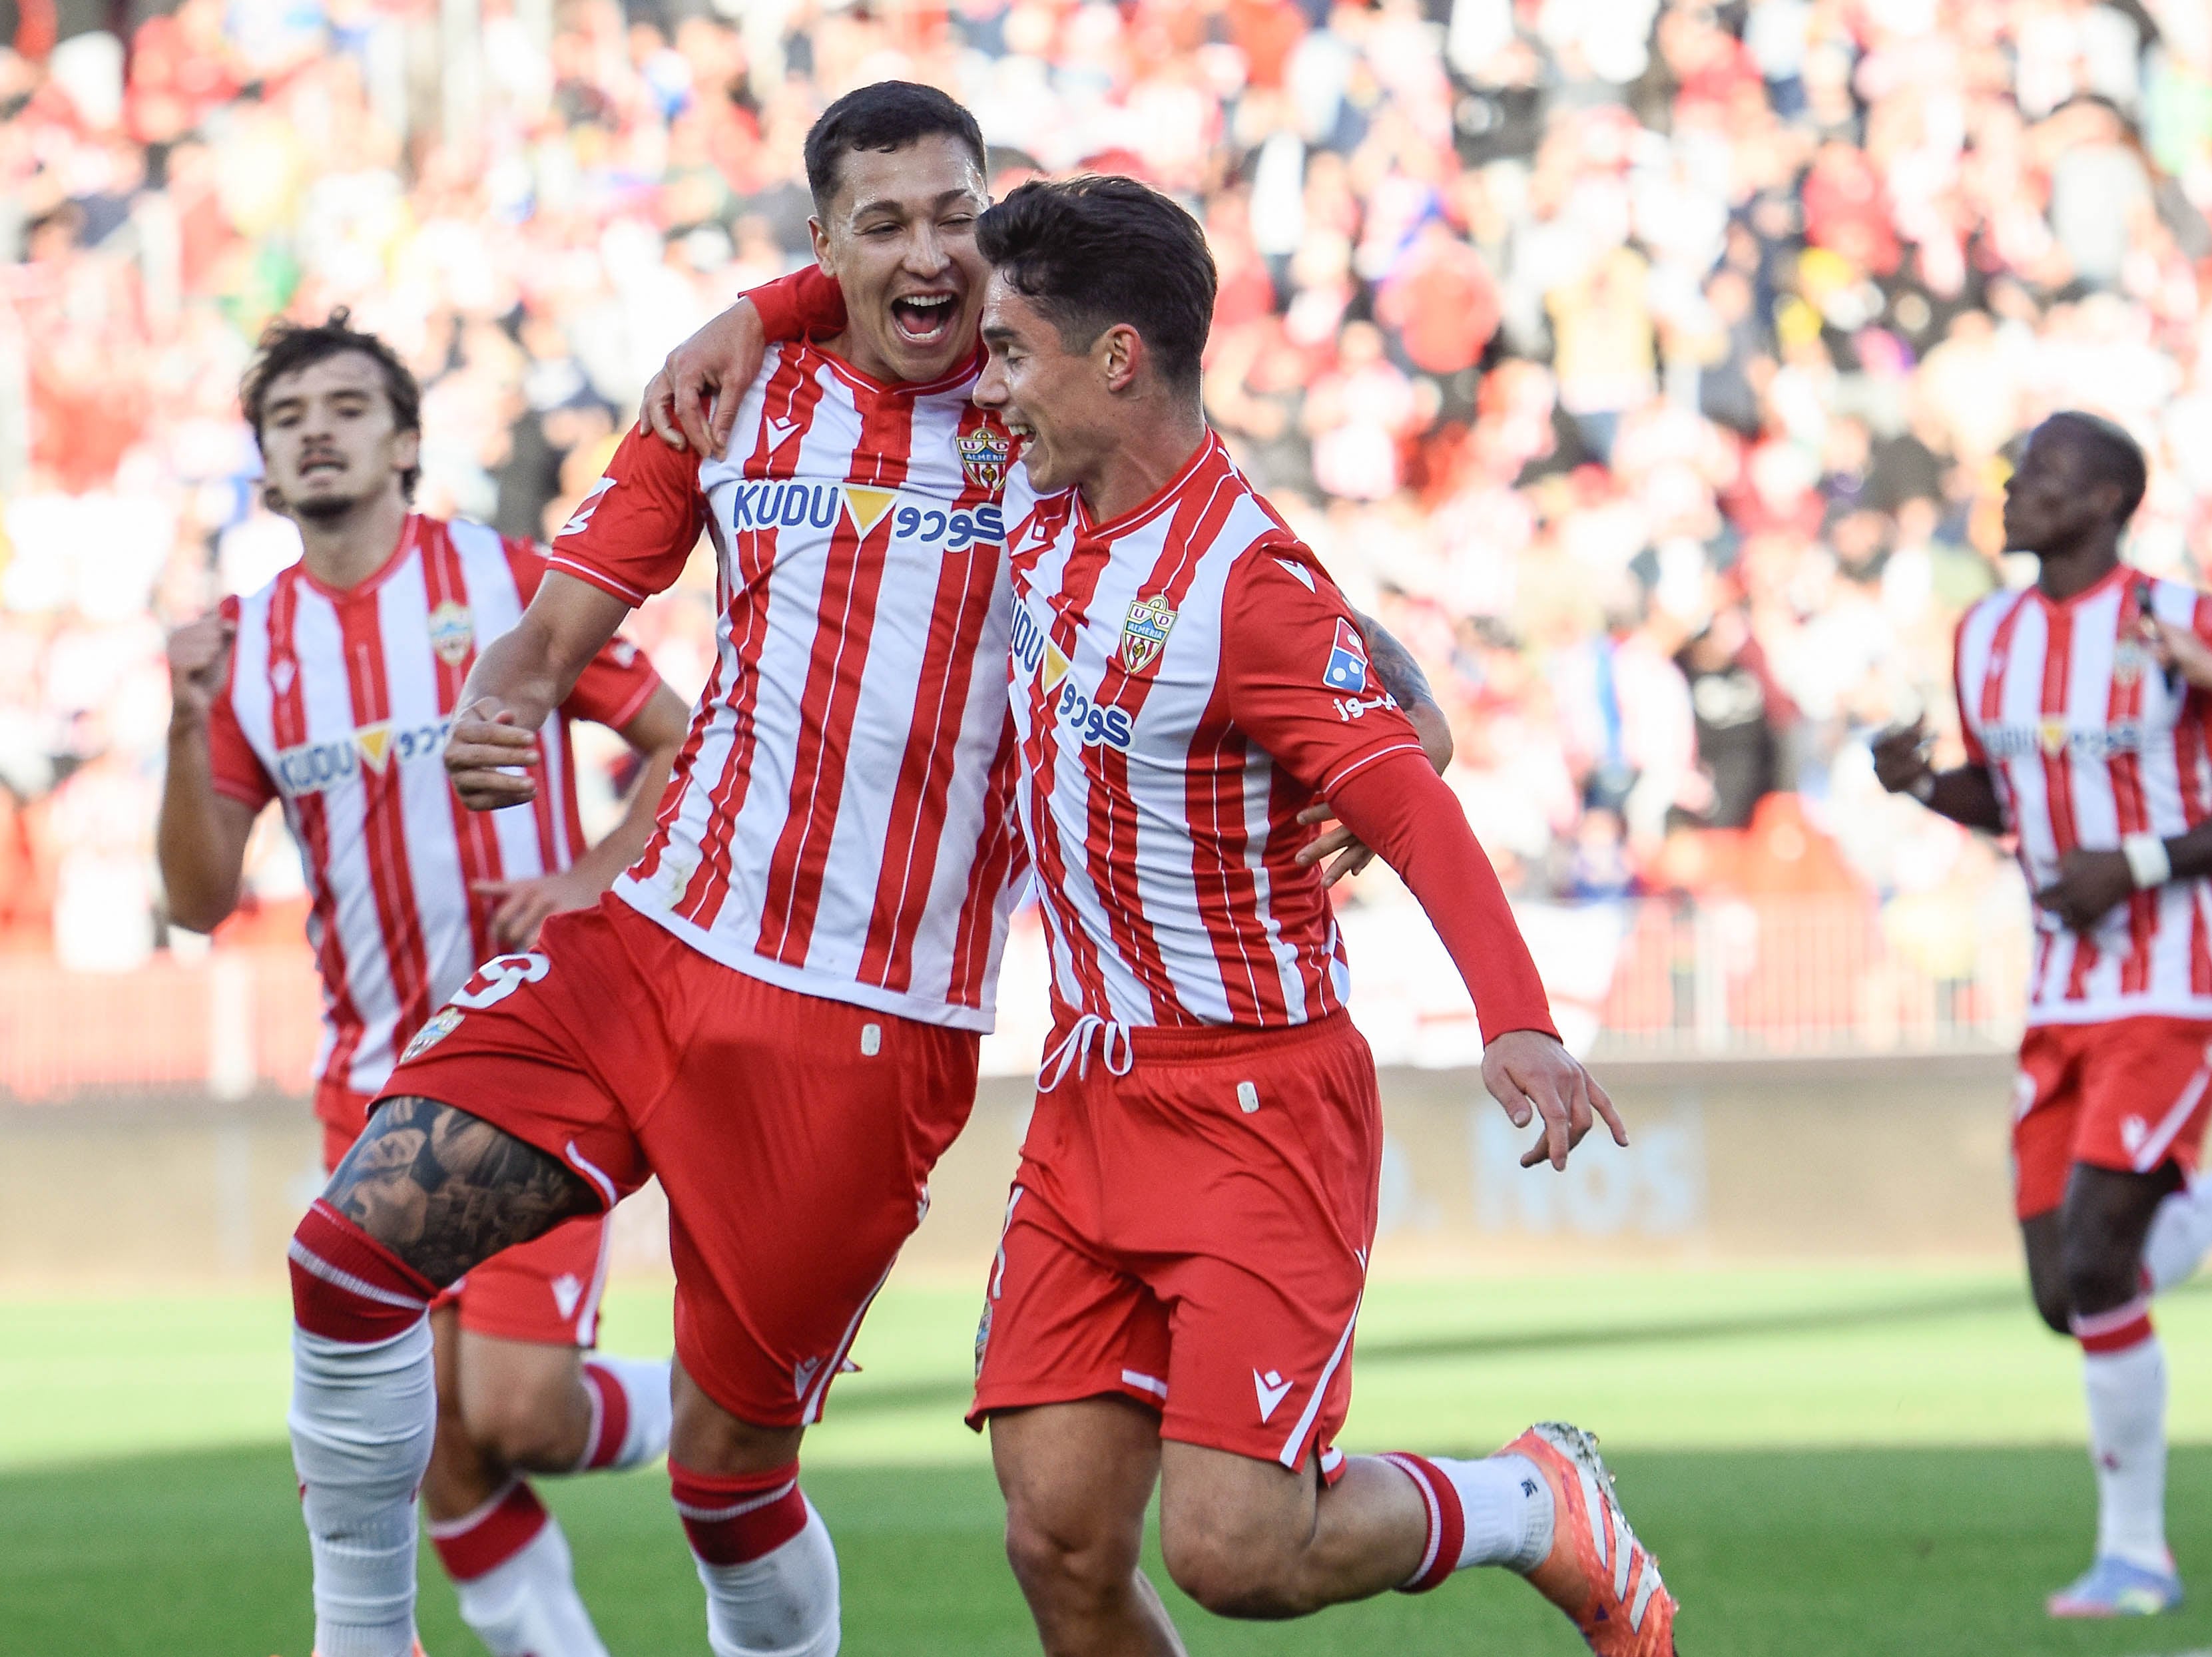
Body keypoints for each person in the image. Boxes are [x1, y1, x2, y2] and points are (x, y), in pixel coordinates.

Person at [277, 85, 1449, 1657]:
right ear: (820, 242)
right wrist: (502, 703)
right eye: (878, 224)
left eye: (952, 214)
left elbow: (1259, 586)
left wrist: (1409, 718)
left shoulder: (1048, 415)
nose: (924, 253)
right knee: (346, 1259)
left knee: (727, 1475)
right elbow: (554, 635)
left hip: (863, 1033)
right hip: (645, 947)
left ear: (993, 219)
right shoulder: (731, 395)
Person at [949, 175, 1666, 1656]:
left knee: (1234, 1551)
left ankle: (1535, 1506)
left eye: (1012, 350)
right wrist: (1399, 689)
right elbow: (1357, 653)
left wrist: (1517, 1019)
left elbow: (1403, 805)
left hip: (1251, 1105)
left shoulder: (1237, 577)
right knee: (1061, 1540)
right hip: (1089, 1095)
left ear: (1118, 358)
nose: (990, 384)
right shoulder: (1043, 512)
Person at [158, 312, 687, 1657]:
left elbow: (684, 744)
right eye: (289, 418)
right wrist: (180, 721)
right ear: (266, 471)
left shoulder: (509, 583)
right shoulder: (245, 648)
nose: (317, 430)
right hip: (370, 1080)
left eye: (348, 407)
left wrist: (590, 874)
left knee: (518, 1419)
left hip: (542, 1053)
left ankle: (718, 1400)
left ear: (405, 443)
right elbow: (197, 897)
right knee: (428, 1444)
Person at [1872, 411, 2212, 1618]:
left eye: (2040, 470)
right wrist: (1922, 785)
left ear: (2102, 500)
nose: (2011, 484)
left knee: (2103, 1255)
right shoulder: (1984, 633)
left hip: (2171, 979)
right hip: (2058, 988)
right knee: (2068, 1291)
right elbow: (2011, 792)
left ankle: (2136, 1555)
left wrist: (2137, 865)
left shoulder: (2182, 625)